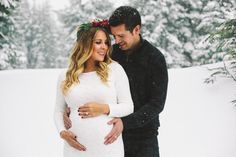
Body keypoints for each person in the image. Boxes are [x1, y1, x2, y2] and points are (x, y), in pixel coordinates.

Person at [64, 6, 168, 157]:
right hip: (110, 136)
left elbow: (156, 104)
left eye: (121, 36)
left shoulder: (155, 59)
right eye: (114, 36)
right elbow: (92, 82)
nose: (117, 41)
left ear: (136, 29)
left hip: (143, 138)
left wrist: (125, 123)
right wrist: (70, 107)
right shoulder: (110, 54)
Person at [54, 19, 134, 157]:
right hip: (74, 151)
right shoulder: (65, 75)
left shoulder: (114, 69)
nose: (104, 47)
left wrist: (104, 108)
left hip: (108, 149)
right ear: (84, 45)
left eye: (106, 43)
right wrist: (63, 132)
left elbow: (128, 106)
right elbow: (58, 111)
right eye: (98, 42)